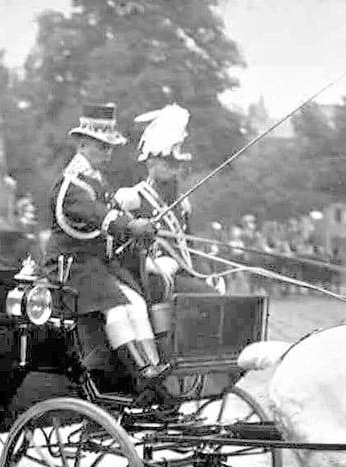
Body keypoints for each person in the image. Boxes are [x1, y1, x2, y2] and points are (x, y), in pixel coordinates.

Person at [49, 102, 167, 396]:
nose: (108, 152)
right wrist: (130, 226)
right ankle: (139, 369)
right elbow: (97, 215)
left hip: (96, 266)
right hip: (71, 267)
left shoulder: (97, 181)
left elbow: (113, 215)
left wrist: (140, 228)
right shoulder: (71, 185)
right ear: (83, 144)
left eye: (110, 147)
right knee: (116, 309)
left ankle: (152, 368)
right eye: (103, 147)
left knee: (137, 303)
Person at [114, 103, 221, 299]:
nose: (173, 170)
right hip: (148, 278)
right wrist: (152, 264)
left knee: (215, 294)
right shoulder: (132, 198)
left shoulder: (182, 204)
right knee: (208, 297)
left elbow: (190, 248)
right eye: (167, 164)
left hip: (179, 276)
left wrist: (204, 273)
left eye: (176, 165)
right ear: (150, 163)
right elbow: (118, 248)